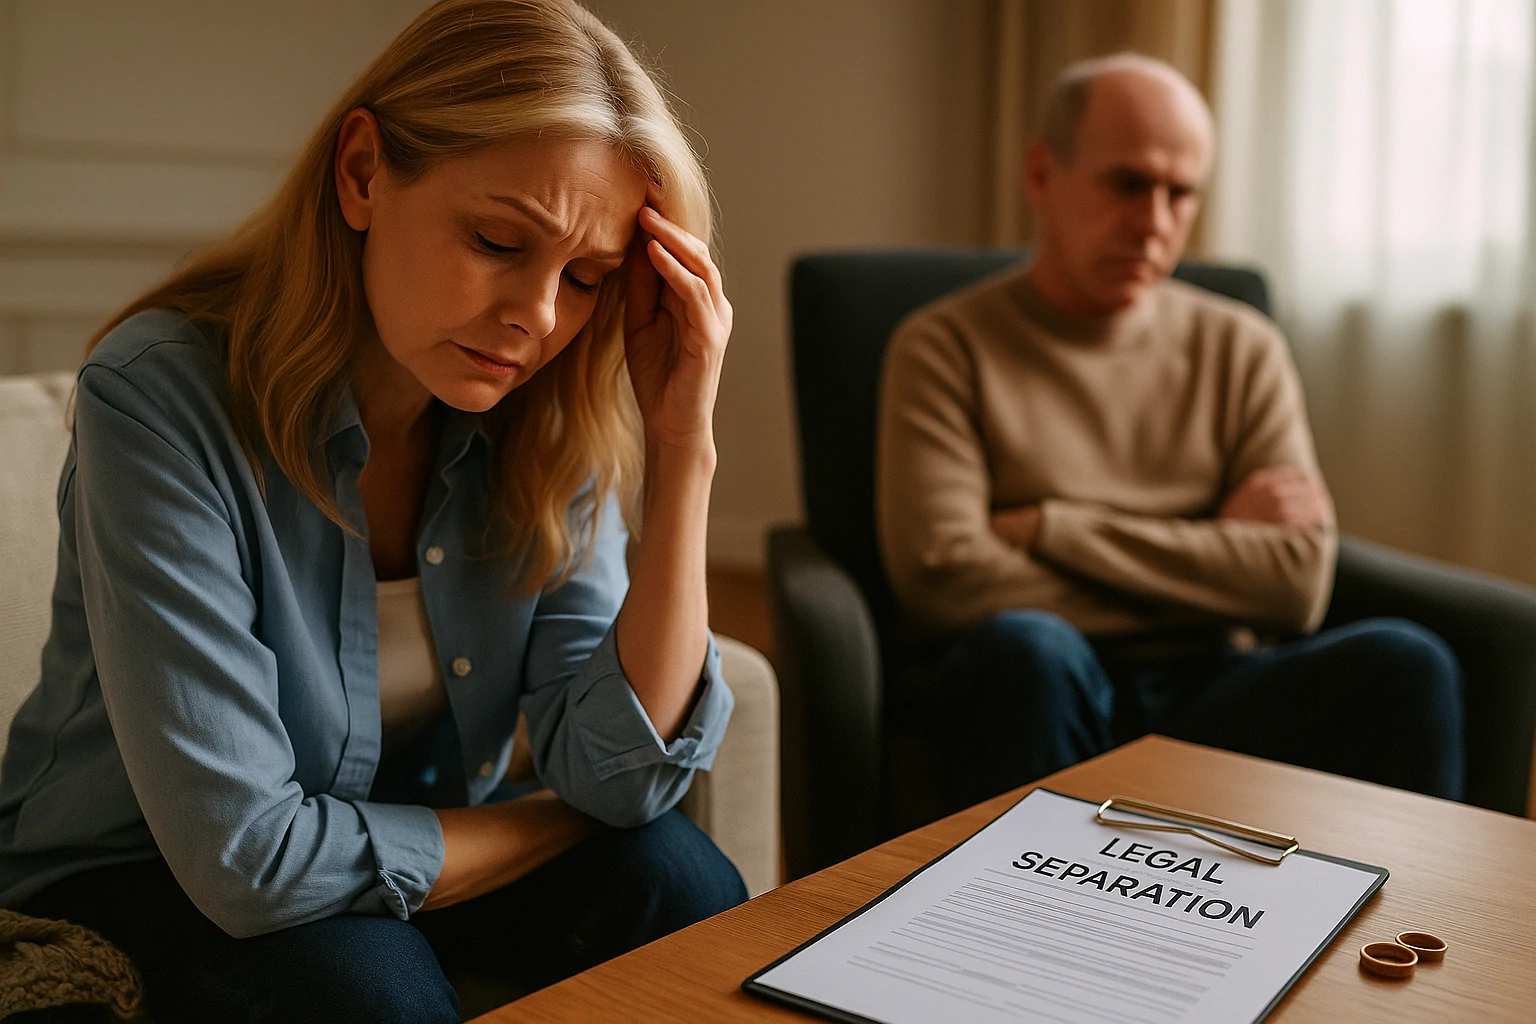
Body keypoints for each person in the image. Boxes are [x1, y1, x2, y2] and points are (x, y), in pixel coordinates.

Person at [0, 1, 746, 1020]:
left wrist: (681, 449)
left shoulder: (548, 419)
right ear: (362, 173)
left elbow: (615, 779)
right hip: (142, 872)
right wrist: (546, 824)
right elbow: (246, 857)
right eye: (496, 239)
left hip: (405, 844)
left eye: (585, 278)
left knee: (684, 882)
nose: (537, 315)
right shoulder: (158, 399)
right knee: (370, 996)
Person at [877, 54, 1464, 815]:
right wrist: (1215, 553)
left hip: (1212, 693)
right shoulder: (943, 346)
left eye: (1180, 193)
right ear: (1040, 176)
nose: (1155, 222)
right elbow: (944, 580)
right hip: (1042, 682)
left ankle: (1395, 934)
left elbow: (1295, 583)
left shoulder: (1242, 345)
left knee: (1408, 663)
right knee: (1026, 645)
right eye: (1128, 184)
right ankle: (1032, 931)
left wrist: (1054, 528)